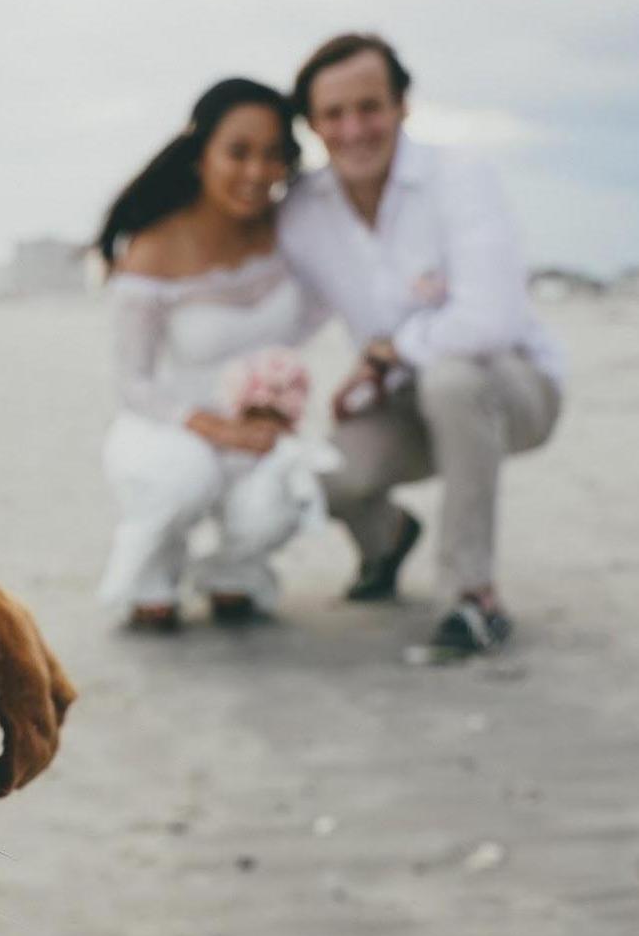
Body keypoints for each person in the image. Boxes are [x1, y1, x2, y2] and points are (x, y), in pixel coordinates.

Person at [280, 32, 564, 657]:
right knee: (321, 477)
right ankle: (387, 539)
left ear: (402, 104)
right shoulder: (304, 211)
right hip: (403, 401)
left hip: (513, 389)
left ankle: (473, 597)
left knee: (453, 379)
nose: (354, 128)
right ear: (312, 125)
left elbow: (491, 319)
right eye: (333, 113)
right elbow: (283, 319)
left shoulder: (461, 178)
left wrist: (387, 353)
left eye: (370, 106)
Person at [95, 79, 326, 630]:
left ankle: (232, 571)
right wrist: (217, 430)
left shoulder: (287, 230)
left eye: (274, 154)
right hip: (166, 424)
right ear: (201, 154)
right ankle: (152, 575)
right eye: (238, 152)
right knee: (183, 478)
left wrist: (274, 409)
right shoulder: (153, 248)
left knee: (283, 497)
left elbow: (320, 310)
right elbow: (133, 383)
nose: (256, 172)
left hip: (255, 425)